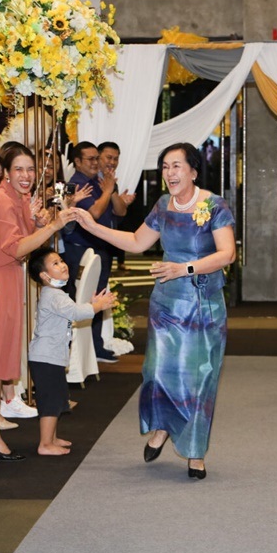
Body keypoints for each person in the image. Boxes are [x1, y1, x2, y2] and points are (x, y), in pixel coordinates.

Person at [73, 142, 236, 479]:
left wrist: (185, 268)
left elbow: (227, 254)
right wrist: (91, 225)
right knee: (158, 370)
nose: (169, 173)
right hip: (167, 303)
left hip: (203, 305)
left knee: (199, 378)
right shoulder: (163, 205)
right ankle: (161, 427)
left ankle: (195, 452)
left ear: (193, 171)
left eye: (176, 166)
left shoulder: (214, 205)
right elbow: (136, 242)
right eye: (165, 167)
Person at [0, 145, 77, 461]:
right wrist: (52, 226)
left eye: (30, 169)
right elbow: (16, 249)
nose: (26, 175)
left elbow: (23, 244)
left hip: (7, 279)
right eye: (18, 169)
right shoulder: (1, 201)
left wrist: (37, 224)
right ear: (6, 172)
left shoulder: (17, 199)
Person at [27, 247, 115, 455]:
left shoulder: (56, 294)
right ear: (44, 276)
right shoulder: (54, 295)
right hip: (46, 358)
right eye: (55, 263)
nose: (63, 265)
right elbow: (75, 313)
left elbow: (72, 310)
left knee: (57, 398)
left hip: (51, 357)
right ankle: (45, 444)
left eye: (61, 260)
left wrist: (91, 304)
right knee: (50, 402)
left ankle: (51, 438)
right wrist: (97, 306)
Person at [61, 141, 129, 362]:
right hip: (80, 250)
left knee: (97, 296)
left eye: (96, 158)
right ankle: (80, 351)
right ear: (77, 161)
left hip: (100, 248)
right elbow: (95, 213)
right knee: (82, 298)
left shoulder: (98, 181)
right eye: (90, 159)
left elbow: (120, 211)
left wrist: (111, 190)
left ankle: (95, 347)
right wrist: (108, 190)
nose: (95, 162)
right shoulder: (77, 184)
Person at [98, 141, 136, 272]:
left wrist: (120, 201)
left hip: (107, 241)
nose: (112, 162)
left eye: (116, 159)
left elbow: (120, 212)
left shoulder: (111, 182)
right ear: (98, 157)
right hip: (90, 242)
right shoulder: (91, 180)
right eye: (109, 158)